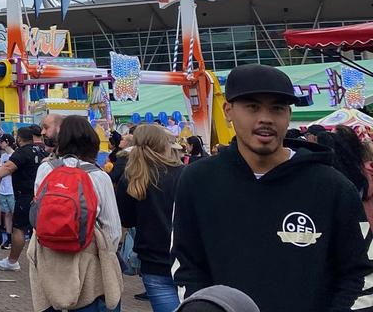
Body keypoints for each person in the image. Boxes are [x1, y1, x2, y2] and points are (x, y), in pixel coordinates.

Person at [172, 64, 373, 312]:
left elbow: (360, 274)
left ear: (288, 114)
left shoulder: (333, 186)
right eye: (252, 107)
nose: (265, 118)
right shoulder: (197, 181)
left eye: (277, 108)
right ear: (228, 111)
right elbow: (186, 267)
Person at [28, 115, 123, 312]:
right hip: (87, 263)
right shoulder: (99, 176)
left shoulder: (46, 169)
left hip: (49, 260)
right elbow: (113, 230)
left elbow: (38, 213)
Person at [115, 124, 185, 312]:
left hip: (152, 261)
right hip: (186, 258)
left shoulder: (131, 177)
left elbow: (127, 220)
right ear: (164, 144)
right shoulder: (183, 174)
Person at [0, 124, 47, 271]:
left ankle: (12, 261)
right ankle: (44, 261)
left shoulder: (22, 152)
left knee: (19, 229)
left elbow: (8, 167)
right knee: (40, 229)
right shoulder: (42, 151)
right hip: (43, 195)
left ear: (19, 138)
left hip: (25, 196)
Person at [0, 133, 16, 248]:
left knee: (13, 213)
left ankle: (15, 237)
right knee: (6, 213)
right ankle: (9, 238)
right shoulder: (3, 156)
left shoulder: (15, 155)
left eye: (1, 141)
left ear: (6, 142)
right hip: (3, 189)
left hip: (12, 189)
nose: (0, 144)